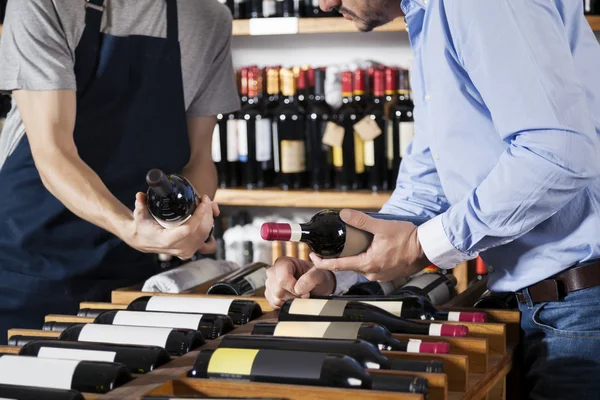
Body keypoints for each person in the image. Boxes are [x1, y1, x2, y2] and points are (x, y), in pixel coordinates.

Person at [265, 1, 600, 398]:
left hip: (581, 308)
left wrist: (422, 245)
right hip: (548, 305)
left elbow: (556, 153)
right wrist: (336, 270)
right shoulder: (431, 19)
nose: (324, 3)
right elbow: (427, 187)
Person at [0, 0, 239, 344]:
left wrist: (188, 221)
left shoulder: (209, 18)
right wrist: (128, 227)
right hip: (27, 267)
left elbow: (198, 158)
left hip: (130, 276)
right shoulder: (43, 3)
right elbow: (53, 152)